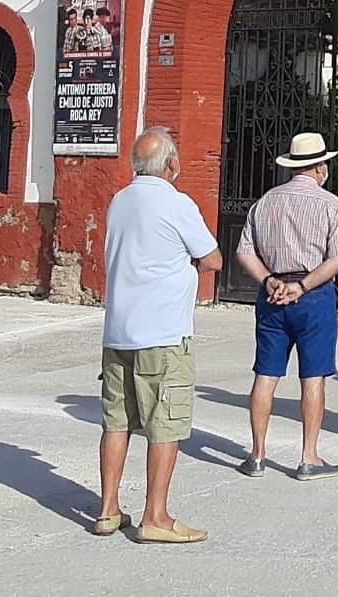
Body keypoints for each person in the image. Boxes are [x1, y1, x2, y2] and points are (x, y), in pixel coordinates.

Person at [93, 127, 222, 541]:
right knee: (166, 423)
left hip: (119, 330)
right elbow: (213, 258)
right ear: (170, 165)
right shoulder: (176, 202)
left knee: (116, 421)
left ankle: (108, 508)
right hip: (163, 332)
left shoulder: (119, 200)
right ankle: (156, 516)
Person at [234, 132, 338, 480]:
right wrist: (302, 286)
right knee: (313, 376)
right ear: (319, 168)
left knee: (266, 374)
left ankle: (257, 454)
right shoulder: (330, 204)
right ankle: (309, 456)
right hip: (313, 295)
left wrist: (270, 280)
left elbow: (244, 251)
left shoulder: (265, 202)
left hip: (272, 294)